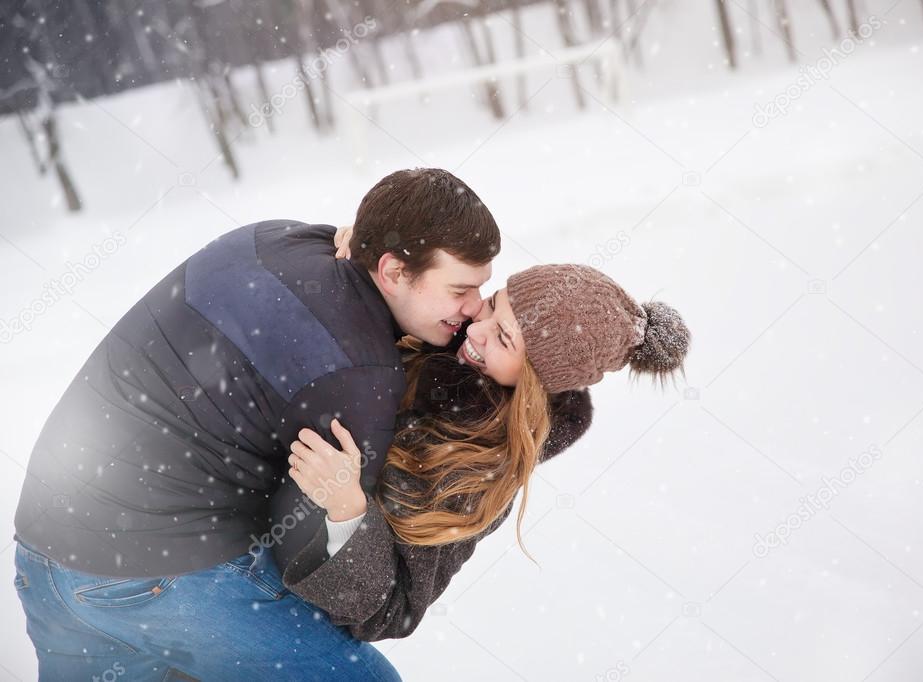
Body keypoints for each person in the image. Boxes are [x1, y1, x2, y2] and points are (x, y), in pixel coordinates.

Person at [12, 168, 500, 681]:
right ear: (394, 272)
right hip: (153, 577)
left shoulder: (272, 235)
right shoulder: (360, 375)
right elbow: (317, 567)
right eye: (460, 290)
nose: (471, 311)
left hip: (44, 551)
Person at [277, 262, 691, 646]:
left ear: (534, 382)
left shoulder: (477, 475)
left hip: (279, 594)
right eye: (492, 306)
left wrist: (347, 510)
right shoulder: (428, 331)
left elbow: (389, 611)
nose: (477, 331)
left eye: (503, 337)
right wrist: (362, 261)